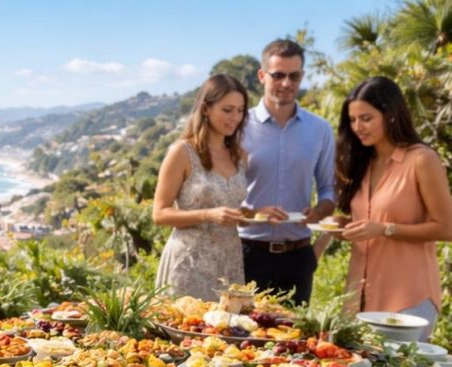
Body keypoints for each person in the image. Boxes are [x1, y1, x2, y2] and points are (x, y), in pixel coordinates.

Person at [337, 76, 452, 341]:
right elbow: (368, 221)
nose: (357, 127)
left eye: (366, 118)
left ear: (390, 114)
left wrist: (384, 229)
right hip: (357, 298)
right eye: (353, 120)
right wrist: (345, 226)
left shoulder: (421, 159)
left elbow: (446, 228)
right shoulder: (362, 162)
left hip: (407, 298)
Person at [240, 39, 336, 305]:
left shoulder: (320, 129)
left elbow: (329, 188)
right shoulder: (239, 126)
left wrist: (321, 211)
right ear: (262, 75)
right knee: (240, 337)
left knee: (292, 342)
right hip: (247, 253)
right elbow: (224, 190)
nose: (286, 83)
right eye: (278, 75)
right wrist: (254, 213)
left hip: (298, 257)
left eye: (294, 76)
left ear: (302, 76)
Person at [153, 74, 252, 299]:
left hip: (230, 261)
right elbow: (159, 214)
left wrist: (255, 215)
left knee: (230, 330)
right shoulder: (181, 152)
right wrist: (207, 214)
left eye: (240, 110)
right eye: (227, 110)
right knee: (186, 330)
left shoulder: (239, 156)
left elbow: (229, 209)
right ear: (206, 109)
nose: (235, 117)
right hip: (189, 263)